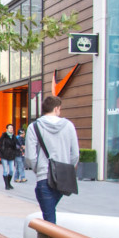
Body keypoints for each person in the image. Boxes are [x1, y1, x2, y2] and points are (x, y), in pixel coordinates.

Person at [24, 95, 79, 224]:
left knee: (49, 218)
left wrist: (38, 169)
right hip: (63, 177)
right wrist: (67, 169)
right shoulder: (69, 126)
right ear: (56, 108)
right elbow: (75, 154)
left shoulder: (34, 127)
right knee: (49, 215)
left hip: (44, 176)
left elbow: (30, 156)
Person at [0, 124, 20, 190]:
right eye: (10, 128)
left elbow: (17, 145)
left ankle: (9, 183)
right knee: (5, 170)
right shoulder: (4, 136)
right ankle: (6, 185)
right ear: (7, 129)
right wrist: (0, 153)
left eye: (12, 128)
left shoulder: (14, 137)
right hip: (4, 155)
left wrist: (18, 150)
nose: (11, 129)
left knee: (11, 170)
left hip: (11, 155)